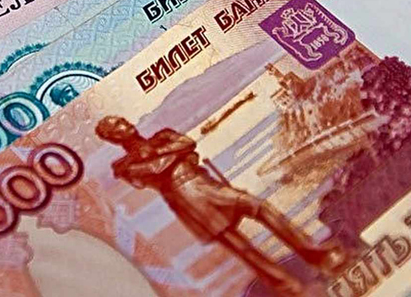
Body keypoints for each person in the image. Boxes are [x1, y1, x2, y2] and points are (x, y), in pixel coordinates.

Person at [95, 115, 346, 296]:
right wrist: (174, 155)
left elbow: (187, 144)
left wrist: (170, 155)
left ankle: (314, 253)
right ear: (112, 137)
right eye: (116, 126)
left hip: (205, 184)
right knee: (239, 245)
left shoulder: (162, 136)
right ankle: (286, 286)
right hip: (187, 200)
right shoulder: (123, 166)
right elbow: (156, 168)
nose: (124, 124)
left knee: (257, 206)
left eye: (121, 120)